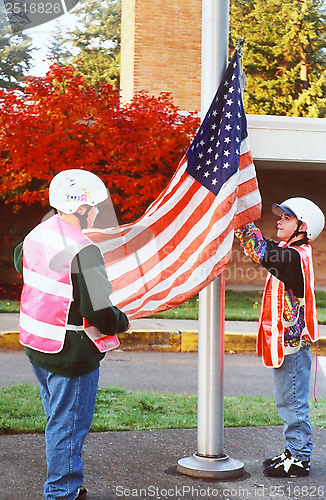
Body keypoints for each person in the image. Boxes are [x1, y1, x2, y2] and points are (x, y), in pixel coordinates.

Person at [14, 169, 129, 500]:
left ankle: (63, 487)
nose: (96, 211)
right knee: (68, 425)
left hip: (38, 344)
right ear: (81, 208)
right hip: (71, 353)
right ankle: (62, 492)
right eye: (94, 206)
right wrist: (122, 321)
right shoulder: (83, 249)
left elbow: (22, 262)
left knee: (57, 419)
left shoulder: (38, 234)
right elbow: (99, 313)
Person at [235, 197, 324, 478]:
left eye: (286, 218)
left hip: (293, 345)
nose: (278, 221)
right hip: (287, 343)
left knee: (292, 402)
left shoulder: (295, 258)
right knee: (287, 399)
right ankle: (292, 450)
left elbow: (261, 250)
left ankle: (299, 458)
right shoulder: (291, 254)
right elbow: (267, 248)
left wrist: (239, 218)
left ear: (302, 227)